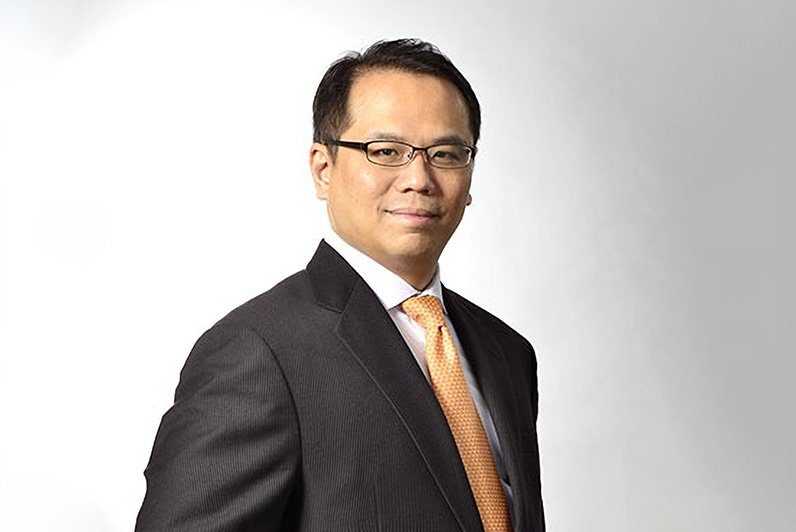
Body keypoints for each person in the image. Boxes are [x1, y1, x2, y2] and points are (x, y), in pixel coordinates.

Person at [136, 38, 544, 531]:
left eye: (446, 153)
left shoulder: (507, 352)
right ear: (323, 169)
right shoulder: (258, 351)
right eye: (386, 151)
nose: (419, 178)